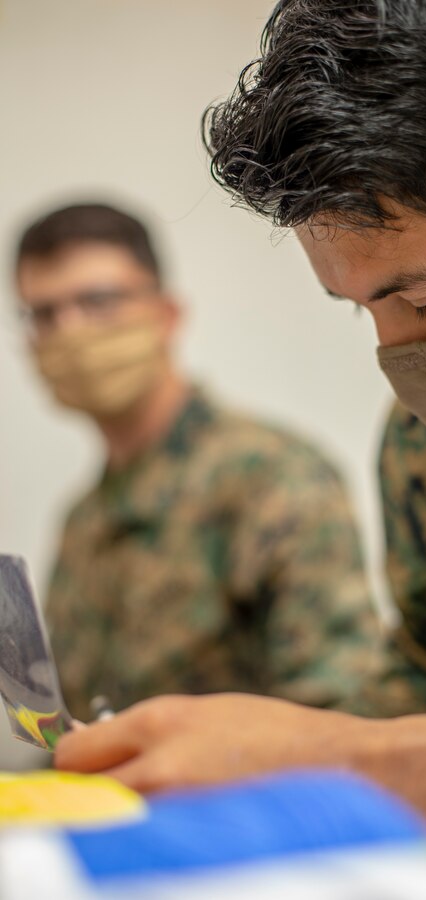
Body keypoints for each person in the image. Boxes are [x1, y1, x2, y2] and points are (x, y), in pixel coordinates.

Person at [56, 0, 426, 827]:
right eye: (361, 309)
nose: (401, 359)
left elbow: (404, 754)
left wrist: (353, 761)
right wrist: (253, 760)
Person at [15, 201, 379, 722]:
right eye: (44, 314)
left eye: (98, 301)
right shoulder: (84, 522)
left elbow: (340, 719)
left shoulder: (271, 478)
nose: (70, 331)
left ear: (166, 314)